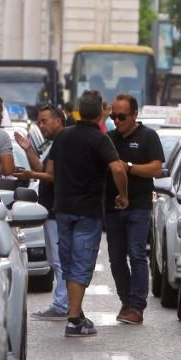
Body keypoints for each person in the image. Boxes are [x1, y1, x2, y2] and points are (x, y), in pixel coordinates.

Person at [45, 90, 129, 337]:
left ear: (79, 111)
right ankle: (73, 320)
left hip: (63, 209)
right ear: (100, 113)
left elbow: (49, 169)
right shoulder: (101, 139)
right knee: (82, 263)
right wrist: (123, 195)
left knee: (69, 261)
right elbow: (117, 168)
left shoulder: (62, 137)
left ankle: (77, 312)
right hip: (88, 210)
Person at [103, 94, 164, 325]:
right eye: (113, 116)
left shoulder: (148, 136)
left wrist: (128, 168)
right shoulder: (108, 139)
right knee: (116, 258)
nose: (116, 121)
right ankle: (126, 302)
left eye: (121, 116)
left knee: (137, 253)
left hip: (138, 205)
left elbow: (156, 169)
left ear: (135, 115)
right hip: (112, 206)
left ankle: (137, 306)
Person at [14, 105, 69, 320]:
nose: (41, 125)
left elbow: (54, 177)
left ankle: (62, 305)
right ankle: (63, 303)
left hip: (57, 209)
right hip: (51, 210)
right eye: (39, 121)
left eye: (44, 121)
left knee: (59, 260)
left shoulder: (63, 143)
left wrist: (31, 173)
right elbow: (43, 170)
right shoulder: (53, 145)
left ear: (58, 121)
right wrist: (28, 149)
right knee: (57, 260)